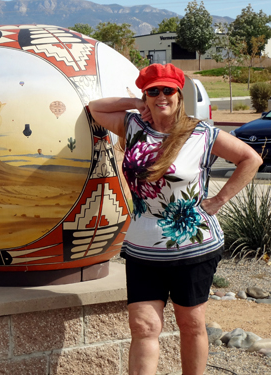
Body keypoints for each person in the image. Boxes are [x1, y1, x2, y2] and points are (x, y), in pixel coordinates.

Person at [88, 63, 262, 375]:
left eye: (167, 90)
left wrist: (219, 200)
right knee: (143, 326)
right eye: (152, 91)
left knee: (191, 324)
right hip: (142, 244)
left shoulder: (202, 134)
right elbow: (94, 108)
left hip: (192, 246)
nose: (160, 96)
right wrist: (133, 103)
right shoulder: (132, 126)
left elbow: (251, 158)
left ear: (179, 95)